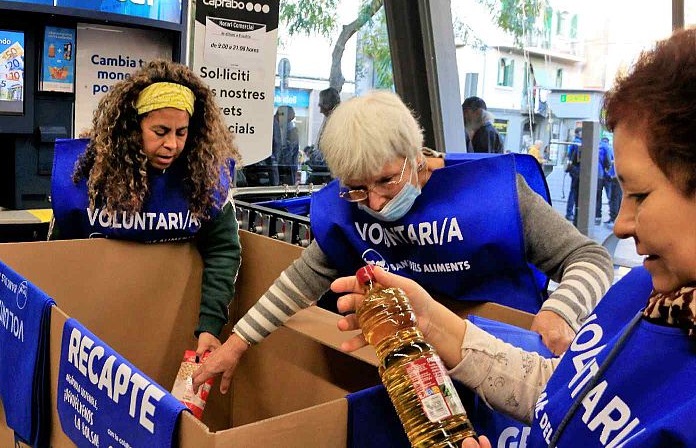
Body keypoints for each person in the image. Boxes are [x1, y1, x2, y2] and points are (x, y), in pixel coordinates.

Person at [335, 29, 696, 447]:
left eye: (639, 194)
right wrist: (431, 321)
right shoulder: (646, 295)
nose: (621, 225)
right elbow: (564, 392)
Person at [192, 90, 612, 393]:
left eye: (387, 180)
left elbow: (590, 257)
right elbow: (299, 281)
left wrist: (562, 311)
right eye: (357, 188)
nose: (373, 202)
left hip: (512, 366)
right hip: (424, 380)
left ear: (415, 155)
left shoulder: (494, 196)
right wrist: (236, 343)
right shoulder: (348, 209)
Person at [50, 59, 241, 358]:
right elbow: (57, 255)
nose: (172, 145)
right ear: (132, 126)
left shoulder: (205, 182)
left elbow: (224, 250)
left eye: (181, 132)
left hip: (165, 330)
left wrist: (210, 326)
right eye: (160, 131)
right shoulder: (87, 178)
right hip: (91, 332)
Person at [564, 127, 582, 221]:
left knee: (573, 191)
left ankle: (570, 212)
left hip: (574, 169)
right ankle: (570, 213)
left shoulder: (575, 142)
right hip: (576, 170)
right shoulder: (577, 142)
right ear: (578, 133)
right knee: (574, 191)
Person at [595, 137, 613, 224]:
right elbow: (609, 161)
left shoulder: (597, 146)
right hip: (606, 175)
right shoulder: (607, 147)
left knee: (598, 196)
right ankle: (612, 216)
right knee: (610, 196)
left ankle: (597, 216)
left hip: (597, 175)